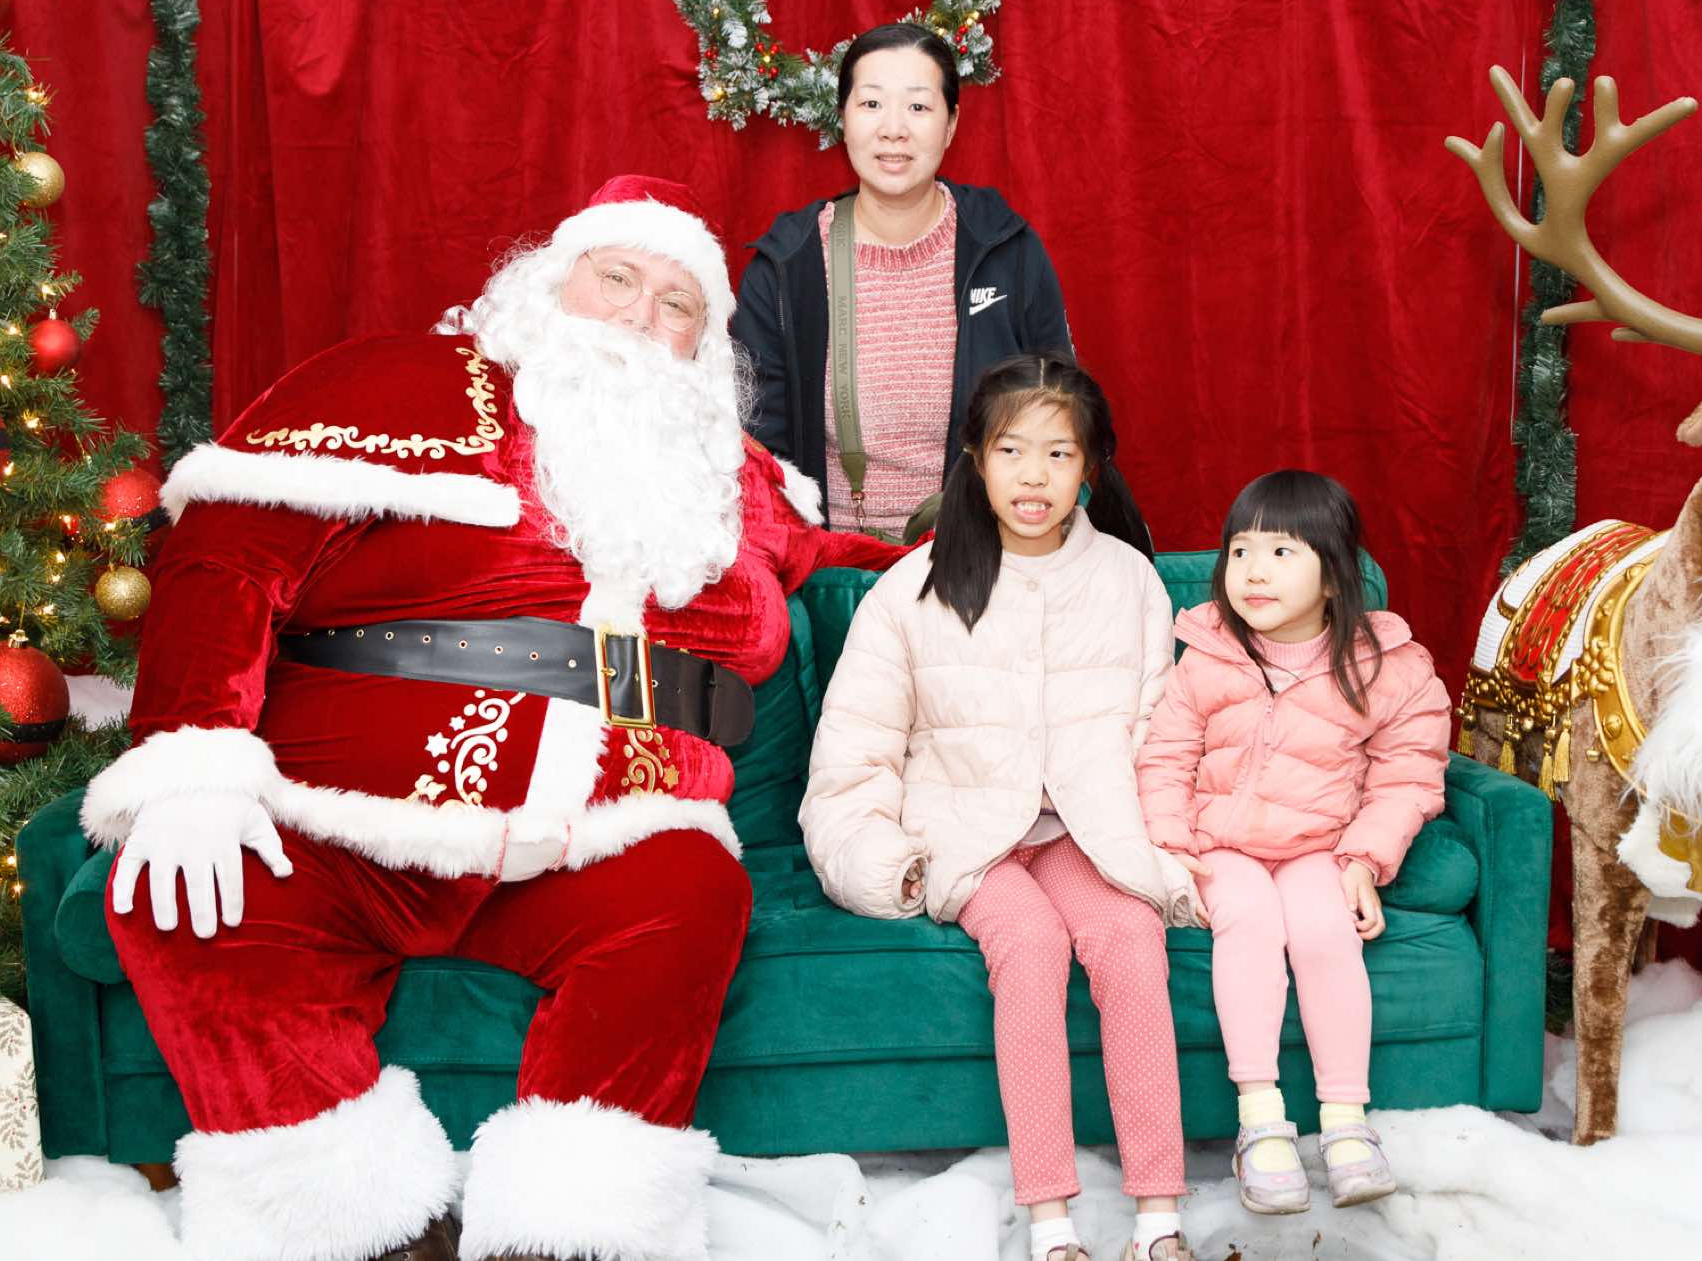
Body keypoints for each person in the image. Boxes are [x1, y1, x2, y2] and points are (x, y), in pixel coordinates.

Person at [83, 175, 903, 1261]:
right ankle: (362, 1227)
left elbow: (858, 561)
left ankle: (567, 1233)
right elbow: (227, 554)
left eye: (677, 303)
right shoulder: (397, 381)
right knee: (188, 904)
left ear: (703, 345)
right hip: (340, 817)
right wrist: (192, 754)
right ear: (547, 284)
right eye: (618, 277)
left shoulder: (733, 478)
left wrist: (1016, 550)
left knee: (692, 892)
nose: (640, 315)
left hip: (607, 838)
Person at [800, 356, 1199, 1261]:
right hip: (967, 833)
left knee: (1131, 935)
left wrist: (1169, 851)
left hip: (1087, 828)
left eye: (1059, 453)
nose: (1033, 475)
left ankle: (1160, 1219)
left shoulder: (1130, 580)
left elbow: (1158, 735)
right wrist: (887, 862)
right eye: (1012, 449)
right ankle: (1052, 1223)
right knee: (1030, 943)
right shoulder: (912, 587)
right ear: (975, 458)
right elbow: (853, 756)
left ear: (1088, 466)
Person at [1136, 470, 1450, 1212]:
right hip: (1221, 845)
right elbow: (1165, 756)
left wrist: (1364, 860)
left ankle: (1345, 1121)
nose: (1254, 572)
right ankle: (1261, 1119)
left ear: (1334, 577)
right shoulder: (1208, 653)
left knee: (1322, 928)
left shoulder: (1387, 667)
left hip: (1319, 845)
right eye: (1241, 552)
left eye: (1281, 553)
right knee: (1248, 921)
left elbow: (1408, 773)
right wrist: (1170, 846)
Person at [732, 22, 1072, 542]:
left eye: (918, 106)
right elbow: (759, 455)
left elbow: (1062, 418)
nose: (893, 129)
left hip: (987, 554)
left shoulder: (1007, 251)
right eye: (871, 104)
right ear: (843, 118)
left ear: (951, 124)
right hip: (836, 567)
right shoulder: (787, 267)